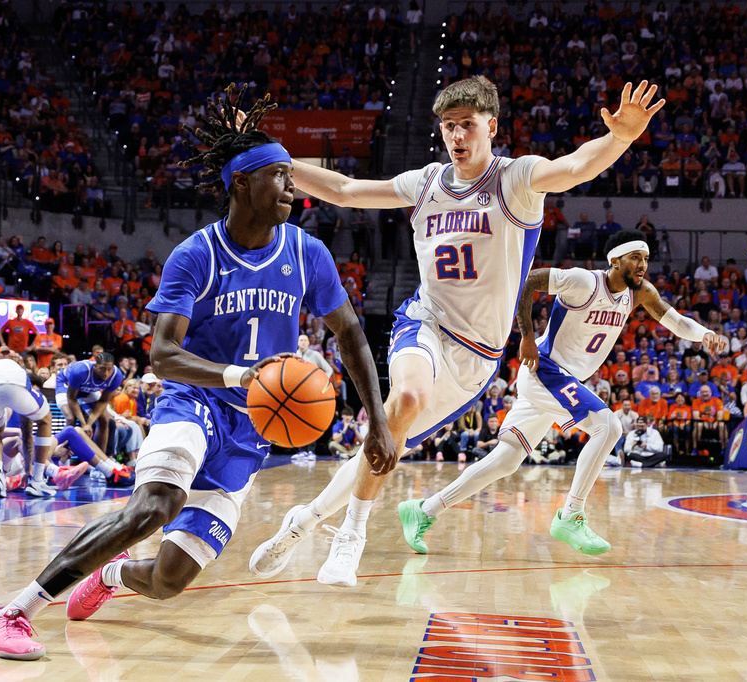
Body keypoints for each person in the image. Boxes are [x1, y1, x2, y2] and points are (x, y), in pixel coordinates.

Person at [0, 88, 392, 661]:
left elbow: (349, 334)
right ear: (242, 183)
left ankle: (113, 577)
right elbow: (164, 354)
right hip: (194, 401)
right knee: (154, 507)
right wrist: (238, 376)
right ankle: (13, 611)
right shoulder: (195, 255)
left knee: (170, 580)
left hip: (252, 431)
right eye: (280, 177)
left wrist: (378, 421)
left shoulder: (306, 253)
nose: (293, 189)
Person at [251, 76, 668, 586]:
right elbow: (343, 189)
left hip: (478, 357)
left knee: (381, 446)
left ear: (491, 127)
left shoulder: (515, 179)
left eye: (467, 125)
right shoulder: (425, 182)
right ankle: (349, 538)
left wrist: (620, 138)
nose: (457, 136)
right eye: (448, 127)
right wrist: (273, 161)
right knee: (402, 399)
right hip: (426, 323)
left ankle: (302, 521)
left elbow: (574, 167)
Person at [397, 229, 720, 555]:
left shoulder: (638, 293)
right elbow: (530, 282)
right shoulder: (583, 282)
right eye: (635, 258)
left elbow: (675, 320)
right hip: (546, 370)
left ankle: (422, 511)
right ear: (615, 260)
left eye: (646, 259)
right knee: (608, 426)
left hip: (563, 381)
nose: (642, 265)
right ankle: (571, 514)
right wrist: (525, 336)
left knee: (506, 460)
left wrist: (704, 334)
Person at [0, 351, 57, 498]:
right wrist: (29, 470)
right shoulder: (16, 372)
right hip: (16, 382)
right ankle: (38, 480)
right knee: (44, 420)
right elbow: (26, 432)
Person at [54, 353, 125, 458]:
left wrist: (89, 423)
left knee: (104, 420)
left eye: (109, 369)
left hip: (87, 389)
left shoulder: (117, 376)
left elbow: (103, 401)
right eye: (102, 369)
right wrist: (84, 423)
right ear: (95, 366)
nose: (106, 373)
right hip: (66, 385)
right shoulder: (80, 371)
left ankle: (100, 461)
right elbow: (72, 398)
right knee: (71, 418)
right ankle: (61, 458)